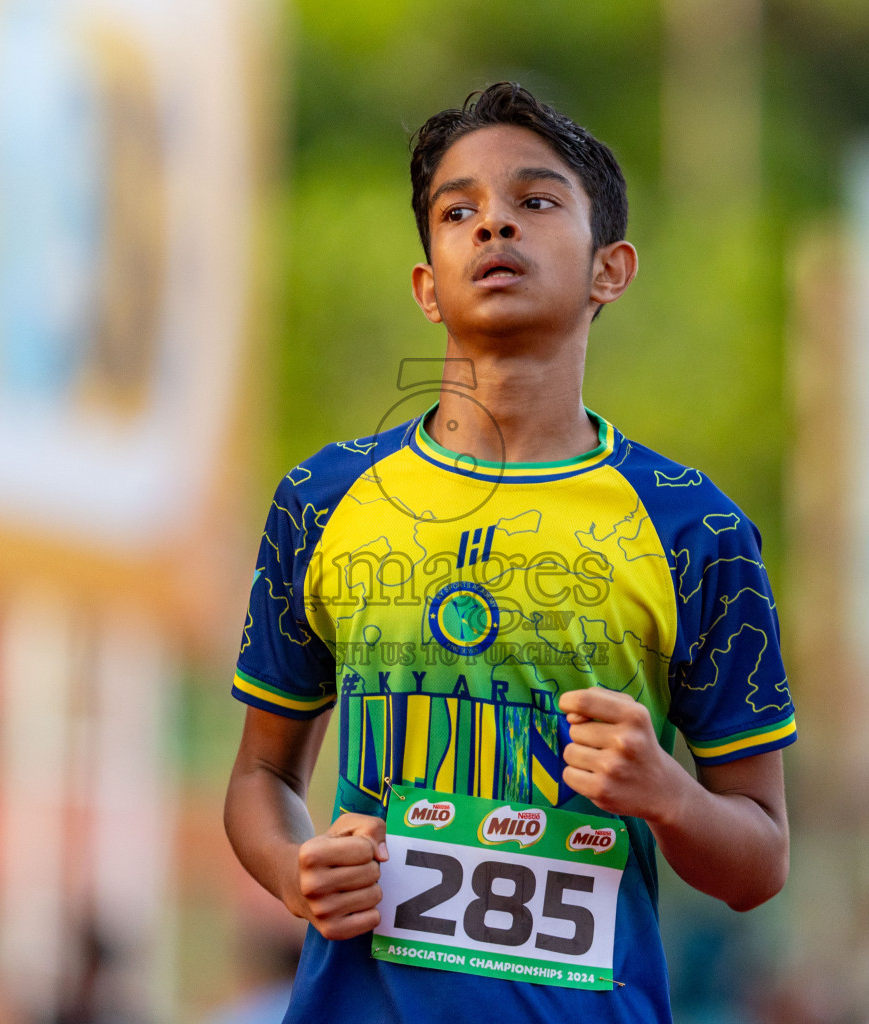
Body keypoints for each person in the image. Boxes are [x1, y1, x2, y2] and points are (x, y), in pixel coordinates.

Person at [223, 82, 795, 1024]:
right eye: (460, 212)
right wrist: (295, 871)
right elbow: (262, 777)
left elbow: (760, 862)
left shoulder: (697, 530)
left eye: (534, 202)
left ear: (610, 269)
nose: (493, 227)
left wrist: (668, 794)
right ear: (426, 284)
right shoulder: (321, 501)